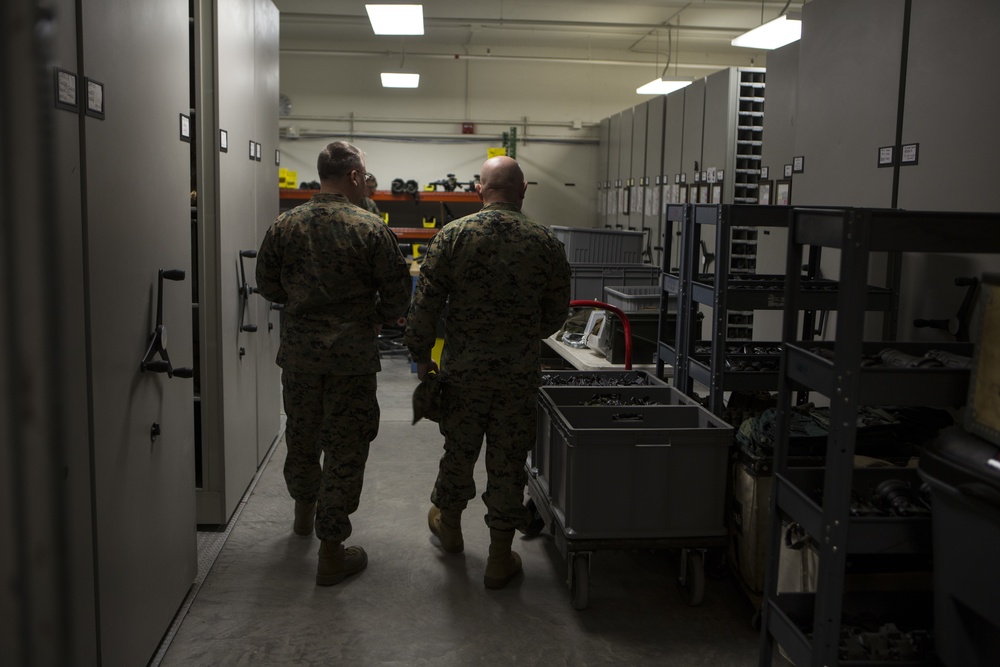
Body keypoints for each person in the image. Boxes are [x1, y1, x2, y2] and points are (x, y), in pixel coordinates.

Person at [404, 155, 571, 589]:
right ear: (523, 190)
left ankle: (451, 527)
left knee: (459, 451)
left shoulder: (453, 236)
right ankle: (499, 557)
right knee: (508, 460)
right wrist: (520, 337)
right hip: (518, 373)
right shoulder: (544, 242)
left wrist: (422, 357)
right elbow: (556, 313)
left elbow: (424, 305)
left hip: (464, 371)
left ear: (480, 189)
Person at [256, 141, 411, 586]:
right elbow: (399, 295)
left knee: (302, 434)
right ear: (356, 177)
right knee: (345, 445)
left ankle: (303, 513)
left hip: (301, 356)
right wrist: (368, 317)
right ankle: (330, 550)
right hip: (352, 358)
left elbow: (267, 284)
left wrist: (303, 308)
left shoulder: (285, 225)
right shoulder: (369, 227)